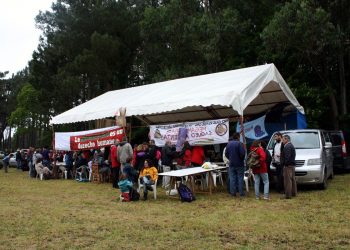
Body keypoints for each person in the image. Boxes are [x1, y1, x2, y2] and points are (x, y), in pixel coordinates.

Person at [225, 132, 246, 197]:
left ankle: (233, 193)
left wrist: (230, 158)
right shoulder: (239, 144)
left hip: (231, 164)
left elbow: (226, 154)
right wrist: (241, 159)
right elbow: (242, 154)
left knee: (232, 179)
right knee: (240, 178)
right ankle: (241, 193)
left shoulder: (228, 144)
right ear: (238, 137)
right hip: (239, 164)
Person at [281, 134, 297, 199]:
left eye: (283, 139)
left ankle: (288, 195)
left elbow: (287, 157)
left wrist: (285, 164)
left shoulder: (287, 146)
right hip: (292, 165)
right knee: (292, 180)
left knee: (288, 181)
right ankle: (293, 193)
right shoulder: (291, 145)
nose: (282, 141)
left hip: (288, 166)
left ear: (286, 139)